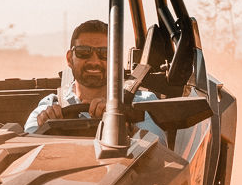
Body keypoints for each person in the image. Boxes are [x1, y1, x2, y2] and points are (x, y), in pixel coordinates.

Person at [24, 19, 164, 143]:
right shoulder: (49, 108)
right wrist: (47, 131)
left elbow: (159, 149)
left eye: (104, 53)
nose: (94, 61)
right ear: (69, 59)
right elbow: (26, 150)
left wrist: (125, 125)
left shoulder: (141, 105)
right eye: (83, 52)